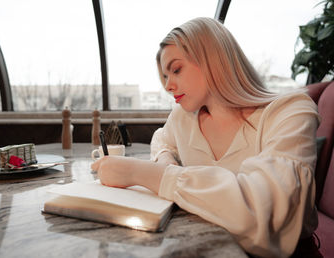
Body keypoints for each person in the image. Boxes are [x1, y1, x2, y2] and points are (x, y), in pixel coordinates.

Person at [91, 17, 321, 258]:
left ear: (212, 58)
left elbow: (264, 211)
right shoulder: (183, 116)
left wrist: (141, 173)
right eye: (165, 77)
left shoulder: (290, 111)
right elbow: (162, 139)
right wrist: (165, 160)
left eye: (176, 69)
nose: (168, 86)